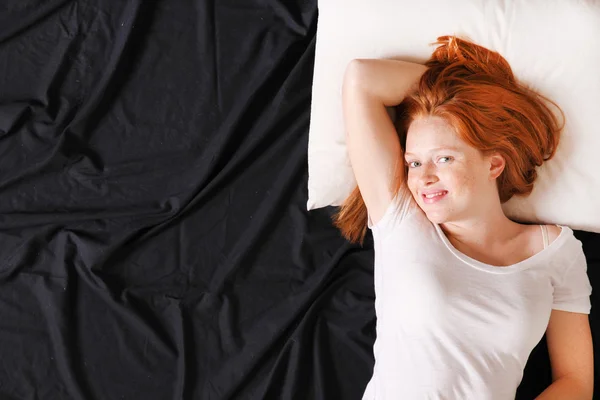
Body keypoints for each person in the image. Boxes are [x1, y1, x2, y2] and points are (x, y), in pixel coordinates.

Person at [334, 36, 593, 399]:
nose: (423, 177)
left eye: (444, 158)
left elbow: (576, 381)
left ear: (494, 164)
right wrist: (458, 97)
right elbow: (362, 79)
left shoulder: (557, 251)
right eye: (414, 162)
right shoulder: (401, 220)